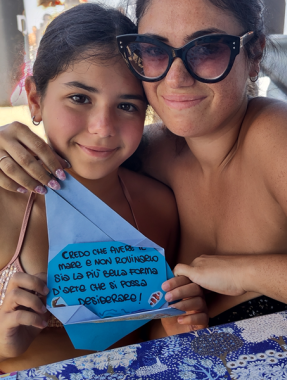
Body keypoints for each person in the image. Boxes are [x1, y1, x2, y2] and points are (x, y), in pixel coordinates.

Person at [1, 0, 287, 340]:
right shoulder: (146, 152)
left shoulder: (278, 139)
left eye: (208, 47)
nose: (177, 76)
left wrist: (247, 274)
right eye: (154, 49)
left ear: (254, 53)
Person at [0, 3, 207, 373]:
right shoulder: (5, 203)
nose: (102, 126)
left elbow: (149, 336)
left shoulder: (159, 207)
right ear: (34, 98)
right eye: (80, 98)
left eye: (127, 105)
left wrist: (175, 325)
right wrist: (4, 345)